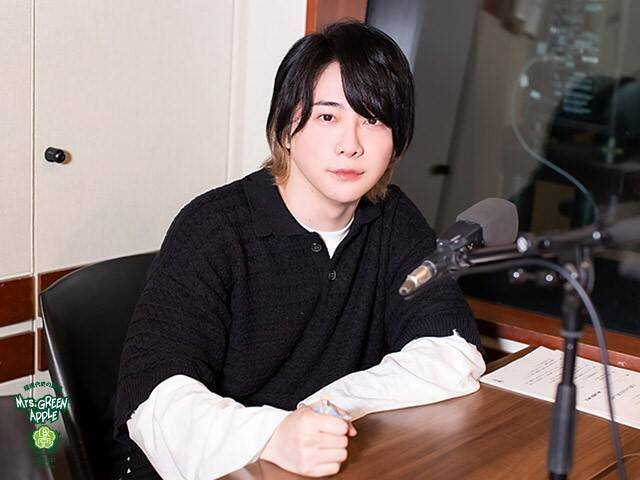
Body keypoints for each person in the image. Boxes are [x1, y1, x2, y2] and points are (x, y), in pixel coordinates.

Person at [114, 21, 486, 480]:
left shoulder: (394, 219)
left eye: (372, 120)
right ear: (286, 127)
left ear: (396, 142)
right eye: (328, 117)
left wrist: (329, 409)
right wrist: (273, 434)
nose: (350, 145)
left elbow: (452, 350)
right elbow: (154, 401)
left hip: (324, 464)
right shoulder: (213, 227)